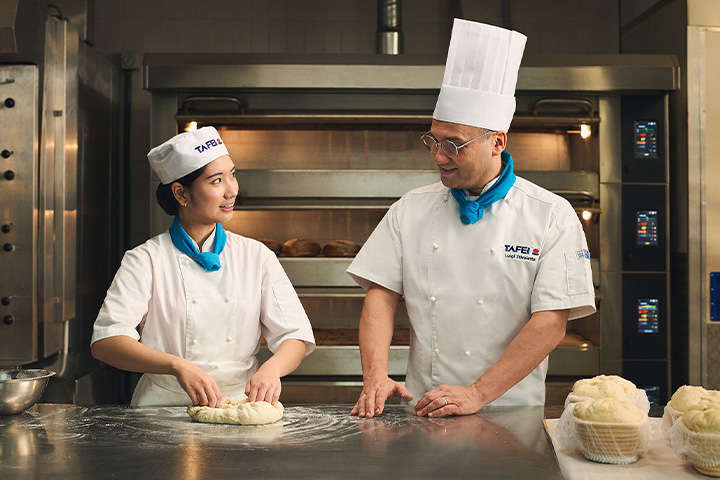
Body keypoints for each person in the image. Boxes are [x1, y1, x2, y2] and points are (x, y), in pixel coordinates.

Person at [347, 19, 595, 418]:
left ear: (497, 141)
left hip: (510, 410)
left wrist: (479, 393)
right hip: (425, 408)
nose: (439, 156)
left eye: (453, 145)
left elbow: (551, 321)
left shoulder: (551, 215)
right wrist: (375, 375)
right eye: (433, 140)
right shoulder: (411, 208)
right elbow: (380, 295)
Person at [91, 126, 315, 407]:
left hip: (241, 404)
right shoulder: (145, 260)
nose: (232, 191)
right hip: (164, 410)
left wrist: (272, 369)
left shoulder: (256, 256)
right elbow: (106, 342)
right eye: (216, 181)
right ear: (181, 194)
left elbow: (294, 335)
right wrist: (176, 365)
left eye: (232, 175)